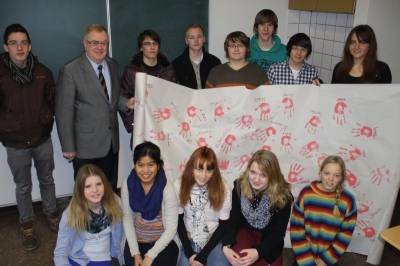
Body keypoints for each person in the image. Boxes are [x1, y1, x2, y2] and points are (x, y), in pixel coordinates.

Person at [0, 23, 58, 251]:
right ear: (6, 47)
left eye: (23, 42)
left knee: (47, 179)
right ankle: (27, 226)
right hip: (15, 144)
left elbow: (52, 101)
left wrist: (46, 120)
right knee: (23, 186)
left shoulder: (43, 72)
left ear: (30, 45)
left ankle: (52, 214)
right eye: (14, 43)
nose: (19, 47)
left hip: (42, 138)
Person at [55, 24, 134, 191]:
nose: (100, 47)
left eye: (104, 43)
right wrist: (68, 146)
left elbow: (111, 97)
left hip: (111, 143)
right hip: (85, 147)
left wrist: (126, 103)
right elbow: (64, 111)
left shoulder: (113, 65)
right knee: (87, 191)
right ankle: (86, 218)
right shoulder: (70, 70)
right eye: (94, 43)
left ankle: (108, 218)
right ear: (85, 44)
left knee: (108, 188)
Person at [222, 150, 292, 266]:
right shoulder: (240, 186)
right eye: (253, 172)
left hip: (270, 238)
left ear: (273, 176)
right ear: (248, 170)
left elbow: (277, 233)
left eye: (263, 175)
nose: (256, 179)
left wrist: (259, 252)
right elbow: (234, 219)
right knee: (239, 261)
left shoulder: (283, 197)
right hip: (246, 231)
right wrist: (226, 244)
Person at [290, 155, 357, 266]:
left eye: (336, 175)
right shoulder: (306, 194)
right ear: (320, 173)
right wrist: (307, 261)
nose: (331, 178)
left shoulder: (348, 200)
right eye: (327, 173)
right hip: (303, 255)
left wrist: (326, 260)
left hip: (329, 259)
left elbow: (345, 234)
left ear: (342, 178)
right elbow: (296, 228)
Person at [122, 141, 179, 266]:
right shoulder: (128, 184)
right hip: (136, 242)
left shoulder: (166, 187)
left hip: (162, 243)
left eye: (150, 165)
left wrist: (150, 255)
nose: (145, 170)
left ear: (158, 166)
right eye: (140, 165)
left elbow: (171, 229)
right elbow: (127, 220)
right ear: (134, 165)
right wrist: (135, 253)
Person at [54, 164, 124, 266]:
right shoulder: (71, 212)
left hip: (102, 259)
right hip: (78, 259)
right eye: (88, 186)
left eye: (98, 184)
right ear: (80, 190)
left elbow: (124, 234)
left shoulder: (115, 203)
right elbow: (60, 251)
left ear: (104, 185)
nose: (95, 190)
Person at [175, 147, 231, 266]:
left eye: (209, 170)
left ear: (214, 171)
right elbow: (178, 221)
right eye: (199, 169)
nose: (204, 175)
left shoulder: (224, 188)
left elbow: (223, 226)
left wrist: (202, 256)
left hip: (213, 239)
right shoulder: (179, 185)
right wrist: (190, 254)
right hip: (189, 238)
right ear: (191, 168)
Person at [120, 29, 175, 134]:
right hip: (141, 126)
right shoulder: (131, 71)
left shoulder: (168, 69)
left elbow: (175, 95)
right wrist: (134, 122)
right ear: (141, 48)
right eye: (147, 44)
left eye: (155, 43)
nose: (152, 47)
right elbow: (123, 97)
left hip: (165, 124)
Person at [172, 24, 221, 89]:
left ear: (204, 39)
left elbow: (219, 88)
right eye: (191, 38)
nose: (196, 41)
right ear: (186, 41)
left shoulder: (214, 62)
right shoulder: (176, 64)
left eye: (199, 37)